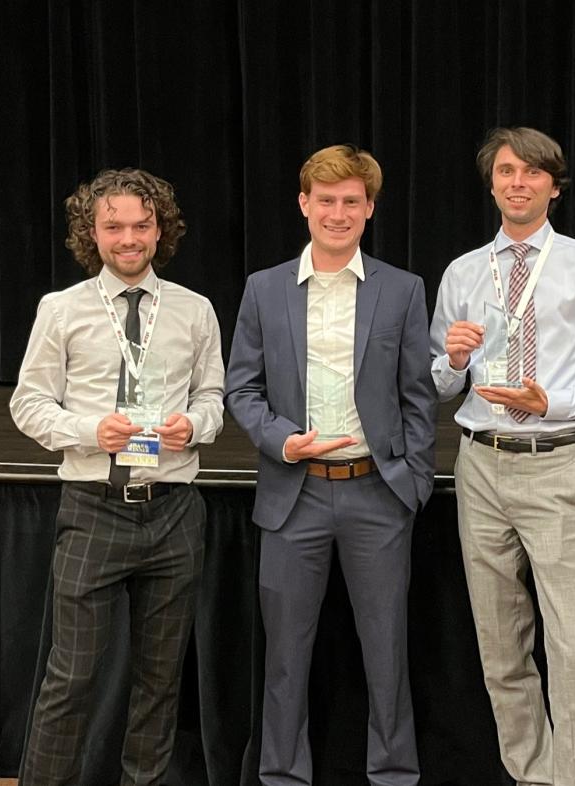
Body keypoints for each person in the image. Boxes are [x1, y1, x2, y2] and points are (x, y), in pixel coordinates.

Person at [429, 127, 575, 786]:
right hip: (481, 465)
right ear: (491, 183)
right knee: (500, 645)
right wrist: (454, 359)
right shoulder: (465, 272)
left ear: (554, 184)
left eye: (532, 172)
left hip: (552, 462)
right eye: (506, 171)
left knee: (573, 646)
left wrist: (553, 402)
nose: (517, 183)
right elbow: (438, 381)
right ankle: (530, 775)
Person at [225, 145, 437, 786]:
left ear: (369, 209)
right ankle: (283, 776)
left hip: (377, 491)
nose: (337, 213)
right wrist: (283, 441)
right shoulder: (264, 289)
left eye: (351, 202)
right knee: (287, 656)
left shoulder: (402, 290)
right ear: (303, 205)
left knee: (386, 652)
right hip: (295, 495)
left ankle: (394, 773)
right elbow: (242, 390)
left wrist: (415, 482)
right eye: (326, 201)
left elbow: (417, 394)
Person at [10, 167, 225, 785]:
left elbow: (213, 393)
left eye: (141, 224)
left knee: (160, 681)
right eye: (114, 227)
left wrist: (197, 424)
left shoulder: (194, 309)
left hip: (174, 509)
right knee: (72, 675)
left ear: (161, 229)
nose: (129, 238)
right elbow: (29, 404)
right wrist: (86, 431)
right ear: (91, 233)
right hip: (93, 505)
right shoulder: (62, 309)